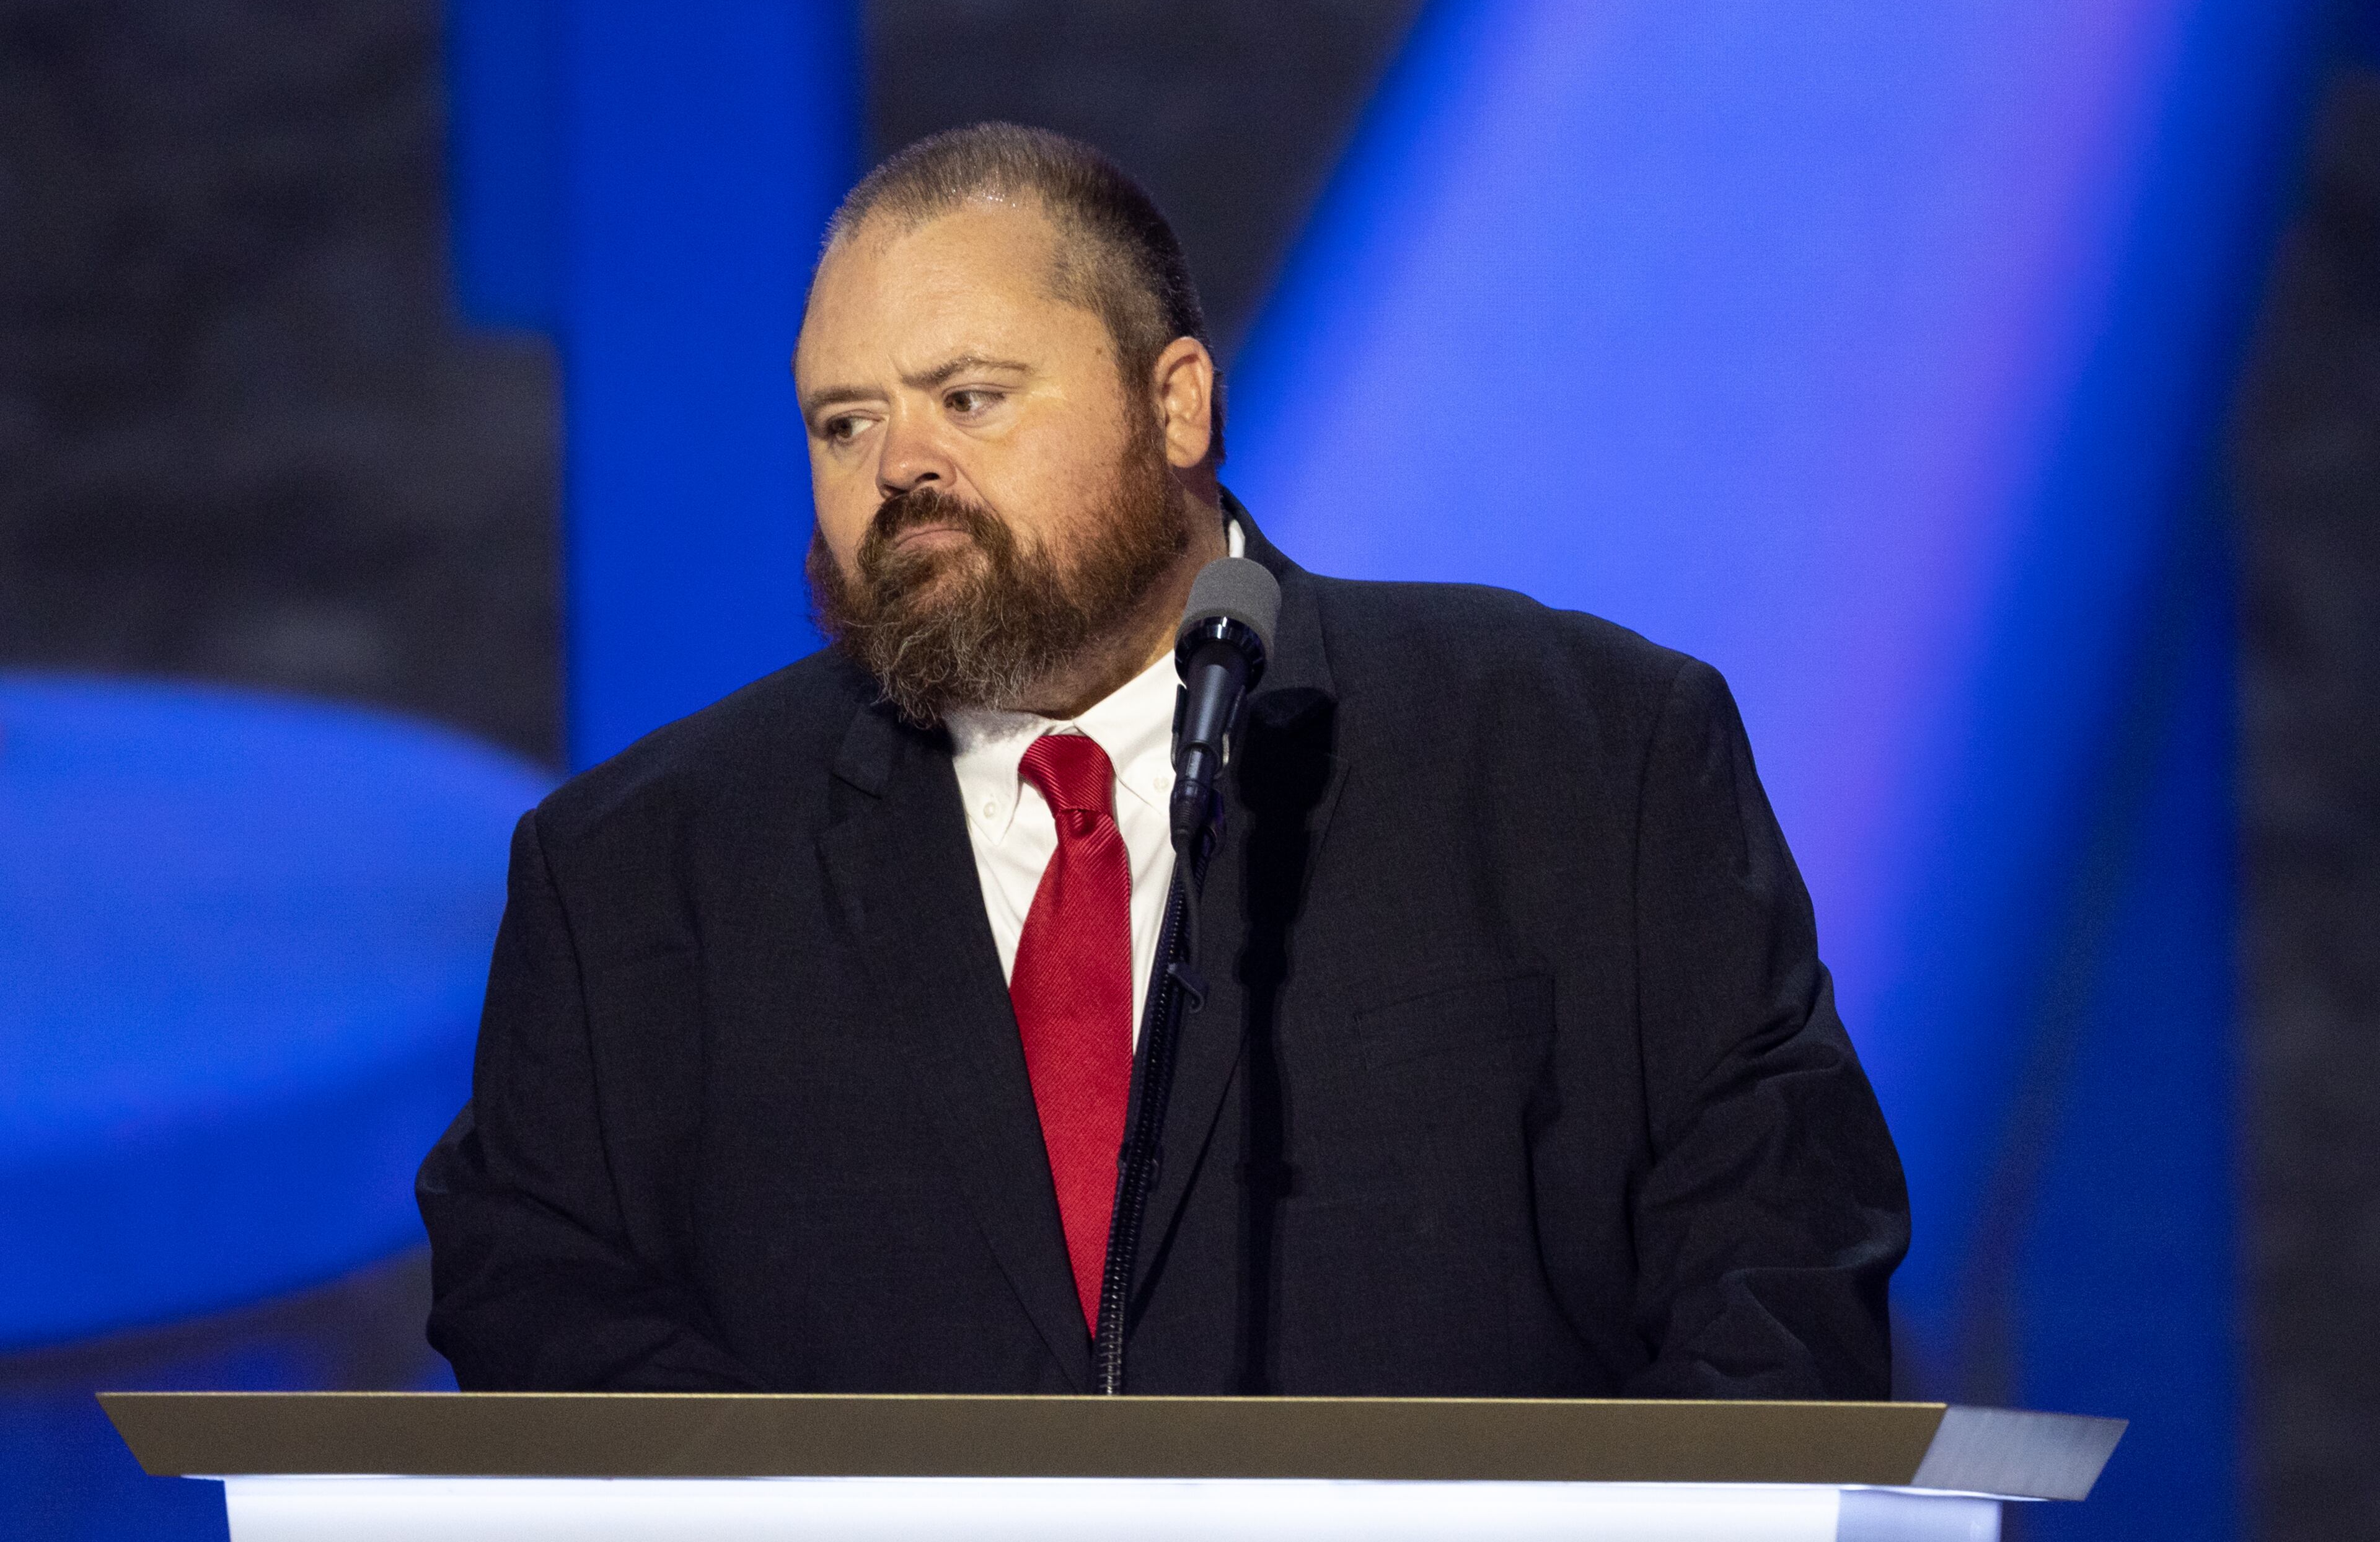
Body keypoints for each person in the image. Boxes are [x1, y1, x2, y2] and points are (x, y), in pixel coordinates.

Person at [416, 123, 1908, 1398]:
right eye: (844, 421)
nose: (901, 467)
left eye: (971, 396)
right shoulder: (639, 874)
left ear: (1175, 401)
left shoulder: (1578, 748)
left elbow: (1776, 1255)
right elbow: (542, 1306)